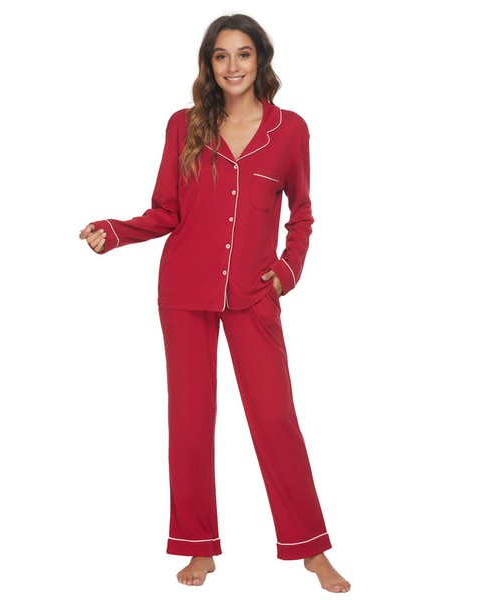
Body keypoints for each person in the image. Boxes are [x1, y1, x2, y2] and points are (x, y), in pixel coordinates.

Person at [79, 13, 350, 593]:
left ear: (260, 60)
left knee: (275, 418)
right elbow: (166, 211)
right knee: (191, 419)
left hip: (254, 294)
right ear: (209, 63)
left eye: (243, 54)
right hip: (185, 291)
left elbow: (302, 213)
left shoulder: (290, 130)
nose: (233, 66)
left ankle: (311, 549)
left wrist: (286, 271)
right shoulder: (184, 126)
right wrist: (116, 231)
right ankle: (197, 547)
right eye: (221, 55)